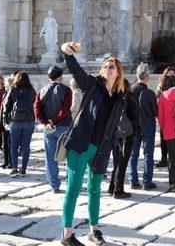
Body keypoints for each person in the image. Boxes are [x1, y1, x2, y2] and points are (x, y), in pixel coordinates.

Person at [60, 41, 127, 246]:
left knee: (95, 190)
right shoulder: (92, 85)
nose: (108, 68)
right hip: (82, 144)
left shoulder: (119, 97)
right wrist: (67, 52)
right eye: (105, 65)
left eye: (111, 66)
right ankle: (67, 234)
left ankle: (94, 230)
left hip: (100, 149)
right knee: (73, 189)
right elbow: (75, 69)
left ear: (118, 72)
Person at [35, 66, 73, 193]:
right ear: (60, 77)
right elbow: (65, 109)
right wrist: (54, 120)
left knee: (50, 157)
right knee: (68, 156)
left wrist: (46, 122)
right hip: (63, 126)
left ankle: (54, 185)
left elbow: (37, 111)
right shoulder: (66, 90)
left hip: (48, 128)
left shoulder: (41, 91)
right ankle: (70, 182)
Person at [108, 79, 140, 199]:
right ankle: (118, 190)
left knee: (117, 161)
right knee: (122, 163)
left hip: (115, 133)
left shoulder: (114, 99)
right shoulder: (129, 99)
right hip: (127, 135)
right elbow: (134, 118)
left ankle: (112, 186)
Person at [129, 63, 158, 191]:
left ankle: (133, 181)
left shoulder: (130, 90)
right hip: (148, 126)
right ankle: (147, 182)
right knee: (148, 155)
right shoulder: (150, 93)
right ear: (147, 77)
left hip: (133, 126)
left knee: (133, 154)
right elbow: (155, 112)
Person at [2, 71, 37, 177]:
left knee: (13, 146)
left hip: (15, 121)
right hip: (28, 121)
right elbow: (36, 105)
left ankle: (14, 168)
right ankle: (24, 169)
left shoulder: (13, 90)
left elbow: (6, 105)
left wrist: (5, 120)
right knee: (26, 146)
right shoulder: (32, 91)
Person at [155, 66, 175, 168]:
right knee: (163, 139)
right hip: (164, 117)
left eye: (173, 74)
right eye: (169, 74)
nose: (171, 76)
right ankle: (164, 159)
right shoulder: (161, 87)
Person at [0, 76, 14, 169]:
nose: (4, 85)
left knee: (10, 143)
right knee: (5, 143)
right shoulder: (5, 93)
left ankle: (11, 162)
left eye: (6, 83)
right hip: (4, 121)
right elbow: (2, 108)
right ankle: (6, 160)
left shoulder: (13, 93)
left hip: (10, 121)